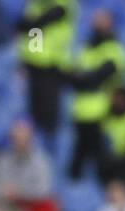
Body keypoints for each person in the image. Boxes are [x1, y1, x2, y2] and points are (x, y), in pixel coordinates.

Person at [66, 9, 125, 181]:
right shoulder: (86, 48)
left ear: (110, 23)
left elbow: (96, 77)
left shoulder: (114, 49)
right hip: (80, 113)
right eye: (95, 20)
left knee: (103, 163)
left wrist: (83, 78)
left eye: (101, 20)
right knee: (76, 164)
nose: (96, 24)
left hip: (103, 115)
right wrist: (83, 78)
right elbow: (71, 76)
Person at [15, 0, 78, 138]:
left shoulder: (63, 5)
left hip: (53, 66)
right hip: (35, 65)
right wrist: (30, 57)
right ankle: (37, 143)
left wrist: (30, 23)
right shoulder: (35, 5)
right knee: (34, 111)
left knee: (49, 113)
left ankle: (50, 146)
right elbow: (33, 30)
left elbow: (35, 23)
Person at [0, 119, 54, 204]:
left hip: (33, 208)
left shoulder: (41, 161)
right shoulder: (2, 160)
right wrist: (3, 192)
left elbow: (44, 190)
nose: (19, 142)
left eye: (24, 138)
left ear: (31, 138)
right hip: (5, 208)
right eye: (15, 138)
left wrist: (19, 192)